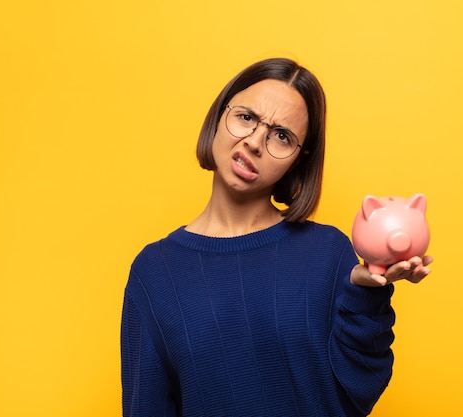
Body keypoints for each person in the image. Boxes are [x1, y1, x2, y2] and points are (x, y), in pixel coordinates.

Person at [121, 57, 433, 416]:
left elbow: (359, 391)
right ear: (220, 115)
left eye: (282, 136)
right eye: (246, 117)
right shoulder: (156, 272)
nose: (254, 142)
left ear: (298, 160)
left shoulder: (328, 253)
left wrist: (367, 295)